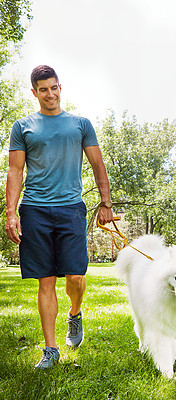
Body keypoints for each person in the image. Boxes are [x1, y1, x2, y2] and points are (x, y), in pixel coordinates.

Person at [5, 65, 114, 369]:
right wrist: (11, 212)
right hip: (35, 209)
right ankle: (51, 349)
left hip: (70, 208)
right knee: (46, 280)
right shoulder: (22, 126)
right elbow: (15, 171)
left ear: (60, 87)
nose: (50, 94)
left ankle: (75, 314)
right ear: (34, 92)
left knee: (76, 276)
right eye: (43, 89)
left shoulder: (80, 124)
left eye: (54, 88)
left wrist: (106, 203)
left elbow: (97, 163)